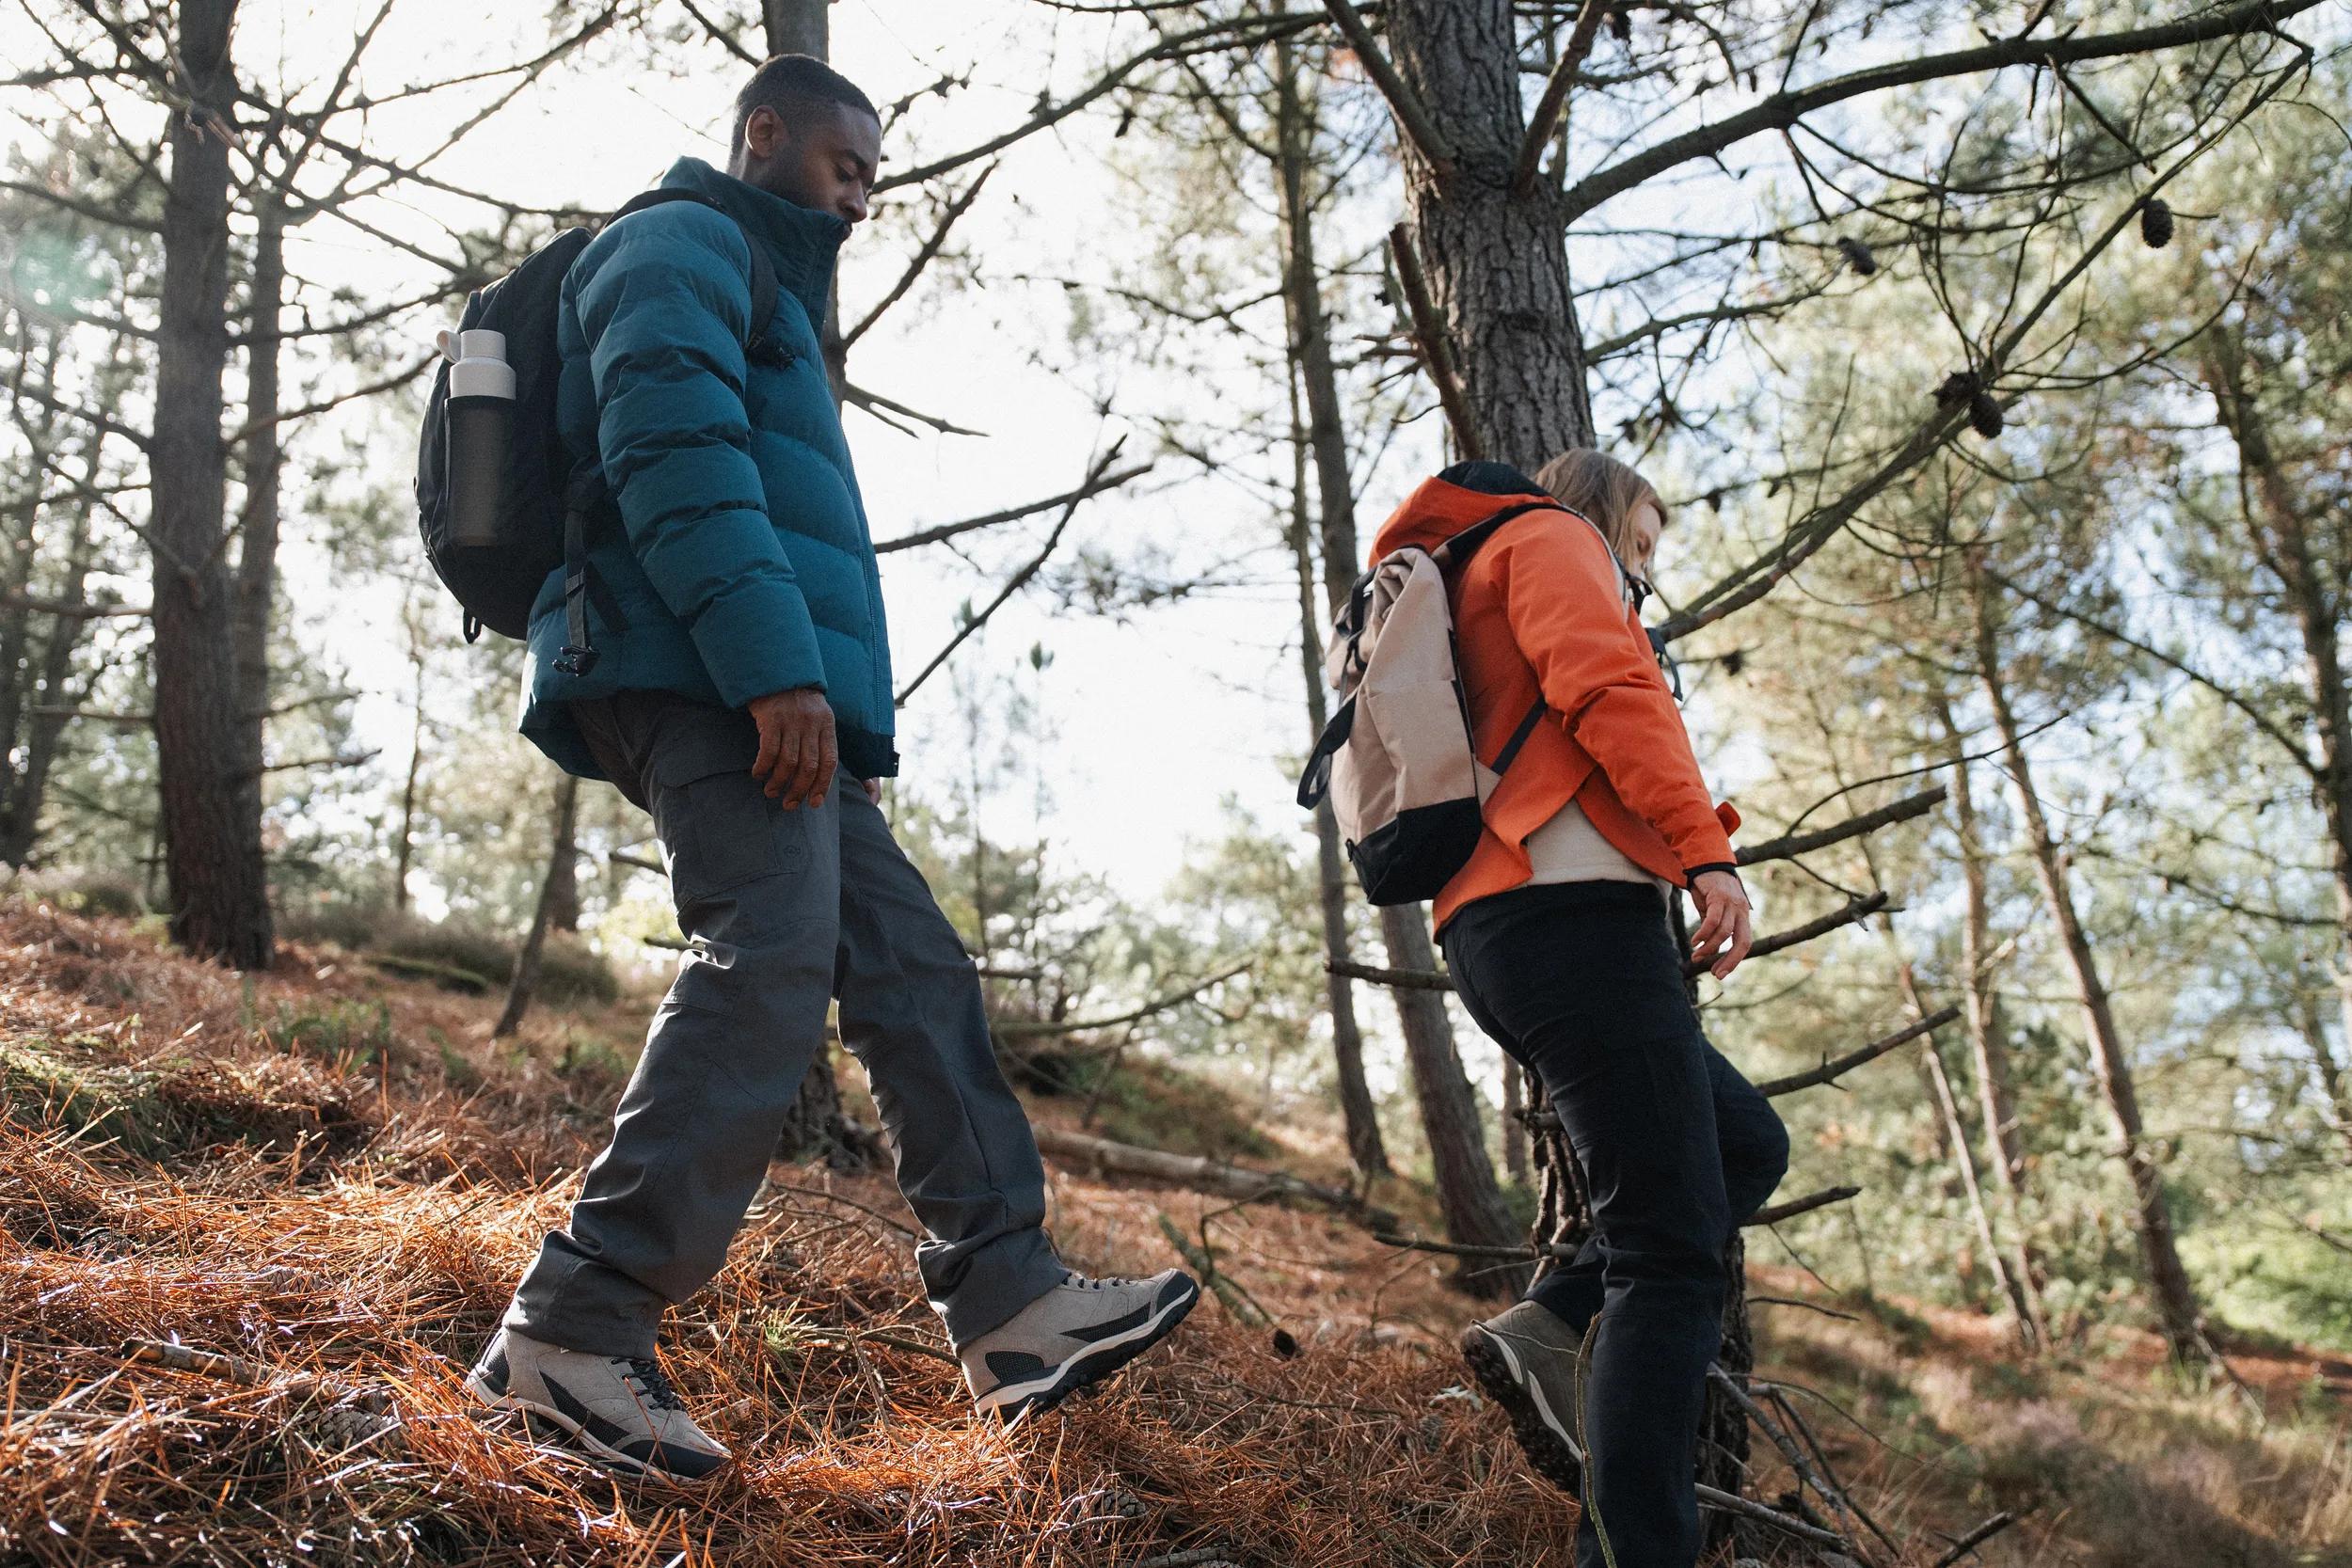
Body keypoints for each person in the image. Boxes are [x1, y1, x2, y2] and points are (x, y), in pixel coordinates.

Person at [464, 55, 1197, 1484]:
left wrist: (816, 705)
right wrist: (775, 672)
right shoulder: (677, 242)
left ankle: (1014, 1303)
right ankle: (576, 1321)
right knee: (769, 957)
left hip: (751, 679)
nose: (860, 193)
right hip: (698, 671)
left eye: (873, 175)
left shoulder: (771, 294)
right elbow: (670, 452)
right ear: (763, 135)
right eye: (842, 164)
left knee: (911, 960)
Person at [1384, 453, 1789, 1568]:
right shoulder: (1553, 539)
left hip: (1502, 928)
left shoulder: (1471, 570)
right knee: (1670, 1251)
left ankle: (1552, 1319)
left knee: (1745, 1143)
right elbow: (1608, 690)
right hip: (1568, 915)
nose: (1645, 571)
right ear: (1602, 514)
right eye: (1643, 543)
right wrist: (1707, 854)